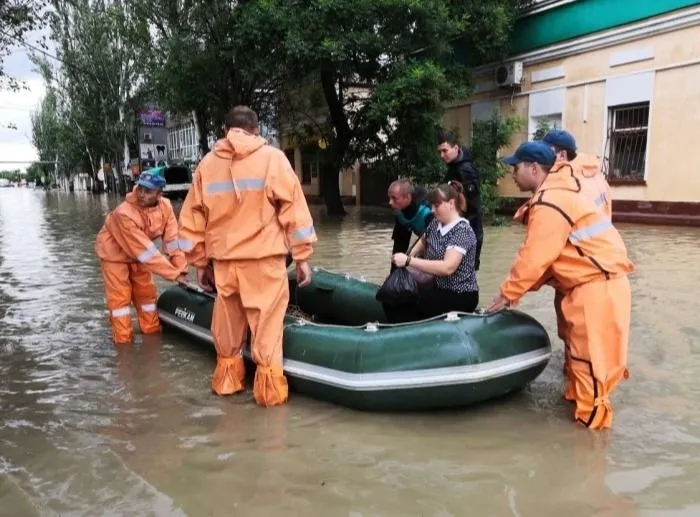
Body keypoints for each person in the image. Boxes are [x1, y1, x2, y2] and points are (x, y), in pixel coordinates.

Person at [485, 140, 634, 430]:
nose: (511, 175)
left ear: (533, 168)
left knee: (590, 370)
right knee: (581, 365)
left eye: (515, 168)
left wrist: (507, 295)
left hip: (595, 290)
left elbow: (534, 259)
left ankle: (589, 447)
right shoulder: (564, 190)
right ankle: (579, 427)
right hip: (596, 286)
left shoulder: (550, 201)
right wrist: (513, 293)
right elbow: (547, 260)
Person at [177, 105, 316, 408]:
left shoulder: (207, 165)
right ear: (256, 130)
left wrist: (199, 262)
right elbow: (295, 211)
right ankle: (269, 397)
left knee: (227, 326)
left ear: (225, 131)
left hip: (225, 263)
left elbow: (191, 221)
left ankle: (227, 384)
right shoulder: (273, 159)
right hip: (264, 260)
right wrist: (303, 257)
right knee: (266, 327)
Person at [95, 172, 187, 344]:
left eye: (148, 191)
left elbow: (173, 241)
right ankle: (123, 343)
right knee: (120, 301)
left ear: (159, 194)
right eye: (141, 189)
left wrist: (182, 268)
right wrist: (173, 274)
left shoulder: (165, 208)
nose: (142, 194)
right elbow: (145, 251)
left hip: (140, 256)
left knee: (146, 296)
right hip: (114, 255)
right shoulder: (124, 213)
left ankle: (151, 337)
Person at [387, 182, 479, 322]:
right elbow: (424, 239)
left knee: (411, 305)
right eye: (431, 206)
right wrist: (409, 254)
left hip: (460, 293)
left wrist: (409, 261)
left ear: (451, 203)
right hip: (439, 288)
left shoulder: (462, 231)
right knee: (394, 299)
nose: (432, 210)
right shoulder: (436, 223)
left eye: (437, 206)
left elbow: (448, 268)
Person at [437, 129, 484, 270]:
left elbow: (472, 209)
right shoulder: (454, 166)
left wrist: (462, 233)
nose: (441, 155)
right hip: (457, 228)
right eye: (439, 152)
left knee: (463, 277)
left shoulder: (465, 169)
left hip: (467, 231)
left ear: (456, 148)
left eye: (445, 151)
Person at [542, 129, 612, 218]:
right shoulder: (599, 179)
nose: (542, 155)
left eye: (546, 152)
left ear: (562, 155)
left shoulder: (565, 184)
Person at [387, 178, 434, 271]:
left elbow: (437, 244)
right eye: (389, 198)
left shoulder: (427, 210)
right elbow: (399, 247)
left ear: (407, 197)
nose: (390, 202)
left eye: (394, 198)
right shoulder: (399, 212)